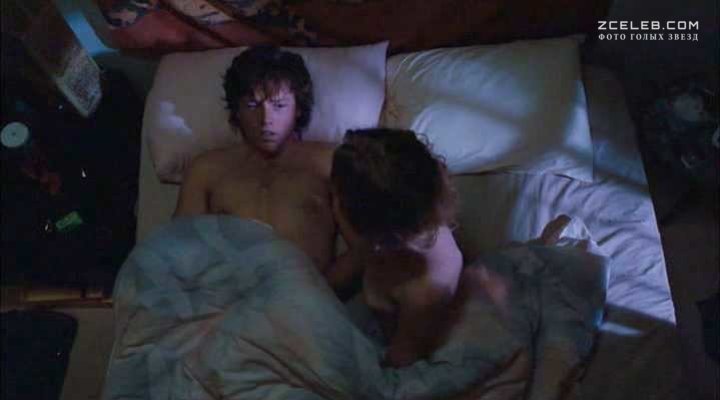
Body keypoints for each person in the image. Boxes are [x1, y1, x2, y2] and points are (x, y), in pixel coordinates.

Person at [174, 46, 336, 272]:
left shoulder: (328, 163)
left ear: (298, 108)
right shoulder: (207, 170)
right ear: (236, 111)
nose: (266, 119)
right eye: (252, 106)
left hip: (307, 288)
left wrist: (321, 289)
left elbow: (365, 249)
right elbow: (179, 253)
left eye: (279, 106)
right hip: (228, 289)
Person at [327, 128, 464, 367]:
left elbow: (402, 360)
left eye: (338, 195)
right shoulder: (391, 232)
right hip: (364, 308)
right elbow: (335, 279)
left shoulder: (429, 285)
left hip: (386, 351)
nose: (334, 200)